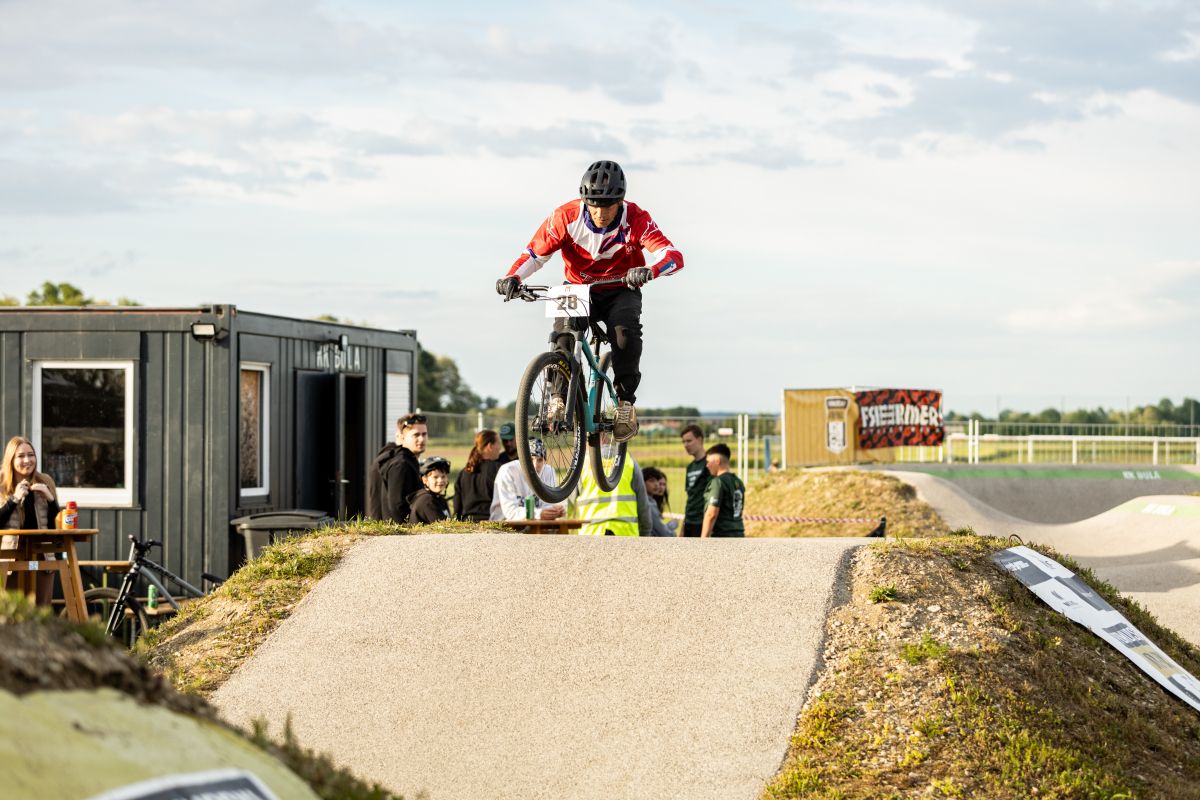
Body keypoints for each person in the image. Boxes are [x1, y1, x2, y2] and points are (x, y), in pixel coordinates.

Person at [496, 160, 685, 443]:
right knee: (563, 333)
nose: (600, 213)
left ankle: (625, 403)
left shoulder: (636, 218)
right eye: (593, 205)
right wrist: (512, 277)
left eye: (607, 206)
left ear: (620, 201)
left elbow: (673, 256)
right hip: (578, 287)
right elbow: (535, 255)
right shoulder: (565, 217)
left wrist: (651, 270)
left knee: (624, 332)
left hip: (621, 287)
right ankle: (558, 398)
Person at [1, 436, 61, 604]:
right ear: (11, 459)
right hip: (10, 557)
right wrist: (14, 499)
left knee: (41, 609)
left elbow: (56, 526)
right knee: (10, 611)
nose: (27, 460)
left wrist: (50, 500)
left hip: (41, 557)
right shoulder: (1, 483)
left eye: (31, 455)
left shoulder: (45, 481)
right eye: (21, 456)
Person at [365, 412, 427, 524]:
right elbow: (398, 507)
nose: (422, 439)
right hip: (397, 531)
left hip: (383, 528)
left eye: (424, 434)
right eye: (416, 435)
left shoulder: (388, 457)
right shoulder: (401, 464)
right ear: (401, 436)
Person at [575, 451, 652, 537]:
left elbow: (570, 508)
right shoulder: (629, 461)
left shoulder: (582, 463)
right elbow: (643, 506)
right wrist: (645, 535)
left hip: (590, 533)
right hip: (626, 533)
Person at [489, 439, 565, 521]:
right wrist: (538, 514)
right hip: (501, 523)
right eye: (531, 459)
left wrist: (555, 511)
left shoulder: (548, 471)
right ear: (522, 459)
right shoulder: (508, 471)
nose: (535, 465)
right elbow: (510, 511)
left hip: (534, 523)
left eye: (540, 460)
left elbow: (547, 504)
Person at [454, 429, 503, 522]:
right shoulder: (499, 469)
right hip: (491, 523)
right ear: (490, 446)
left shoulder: (464, 472)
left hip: (467, 524)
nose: (500, 448)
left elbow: (457, 507)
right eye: (498, 443)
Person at [701, 444, 745, 538]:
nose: (707, 465)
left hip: (722, 537)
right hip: (739, 534)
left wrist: (703, 540)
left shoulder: (718, 482)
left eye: (708, 462)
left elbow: (711, 514)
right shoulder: (739, 482)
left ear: (717, 460)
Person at [679, 424, 711, 537]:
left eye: (689, 441)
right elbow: (690, 498)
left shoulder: (709, 464)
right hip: (689, 522)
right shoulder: (690, 467)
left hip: (702, 523)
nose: (686, 445)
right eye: (684, 442)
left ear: (700, 440)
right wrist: (683, 527)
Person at [407, 457, 452, 524]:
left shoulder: (439, 499)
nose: (440, 480)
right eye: (435, 477)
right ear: (425, 480)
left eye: (443, 476)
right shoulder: (427, 501)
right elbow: (443, 527)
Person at [641, 465, 677, 537]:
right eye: (652, 480)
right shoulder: (649, 505)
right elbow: (663, 533)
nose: (656, 484)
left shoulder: (650, 502)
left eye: (657, 481)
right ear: (642, 482)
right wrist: (673, 531)